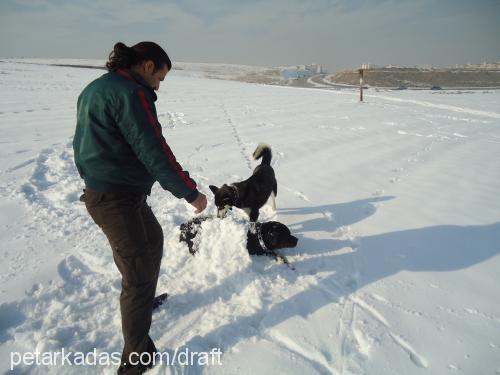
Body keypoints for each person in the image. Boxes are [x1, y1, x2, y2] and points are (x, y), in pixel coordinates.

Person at [73, 41, 207, 374]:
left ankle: (144, 301)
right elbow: (153, 149)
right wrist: (189, 192)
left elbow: (83, 142)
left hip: (115, 192)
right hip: (114, 197)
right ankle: (136, 361)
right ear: (147, 66)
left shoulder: (98, 88)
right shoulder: (132, 93)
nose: (159, 85)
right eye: (160, 77)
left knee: (153, 240)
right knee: (138, 276)